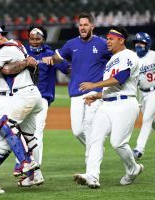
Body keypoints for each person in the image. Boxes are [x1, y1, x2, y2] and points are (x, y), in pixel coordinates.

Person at [0, 23, 44, 194]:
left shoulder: (6, 48)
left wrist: (19, 66)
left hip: (14, 97)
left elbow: (5, 69)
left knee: (11, 137)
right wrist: (16, 66)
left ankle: (28, 170)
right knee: (8, 138)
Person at [74, 26, 143, 188]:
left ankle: (133, 168)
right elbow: (111, 87)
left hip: (126, 104)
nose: (108, 41)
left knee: (118, 143)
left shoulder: (129, 55)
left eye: (111, 39)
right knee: (95, 139)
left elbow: (121, 78)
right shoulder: (111, 61)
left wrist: (94, 85)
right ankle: (92, 176)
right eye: (107, 38)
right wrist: (98, 94)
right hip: (107, 104)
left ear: (121, 40)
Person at [42, 13, 111, 160]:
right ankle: (95, 149)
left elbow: (116, 59)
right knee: (77, 131)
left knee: (89, 126)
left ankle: (91, 157)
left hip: (94, 92)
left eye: (86, 25)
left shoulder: (102, 44)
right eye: (80, 25)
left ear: (92, 26)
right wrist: (51, 59)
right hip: (76, 92)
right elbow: (57, 58)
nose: (83, 28)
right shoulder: (71, 44)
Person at [12, 26, 69, 174]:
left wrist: (56, 60)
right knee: (18, 130)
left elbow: (67, 68)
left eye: (38, 38)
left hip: (42, 97)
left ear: (43, 39)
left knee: (37, 131)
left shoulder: (50, 53)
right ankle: (21, 162)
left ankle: (35, 166)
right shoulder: (22, 53)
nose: (35, 41)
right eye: (32, 38)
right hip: (23, 97)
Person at [132, 32, 155, 159]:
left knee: (147, 119)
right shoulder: (133, 58)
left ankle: (139, 149)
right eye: (137, 42)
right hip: (142, 92)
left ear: (148, 44)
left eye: (142, 42)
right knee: (149, 117)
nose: (139, 45)